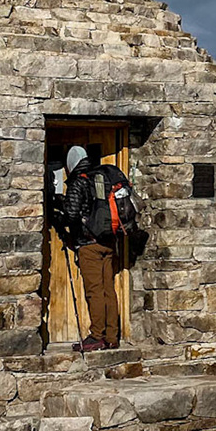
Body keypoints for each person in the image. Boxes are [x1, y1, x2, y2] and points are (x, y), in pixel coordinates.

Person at [55, 145, 123, 352]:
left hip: (89, 245)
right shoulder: (100, 177)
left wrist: (58, 215)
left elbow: (72, 215)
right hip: (108, 243)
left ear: (71, 164)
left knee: (94, 292)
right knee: (108, 290)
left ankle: (96, 336)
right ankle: (112, 337)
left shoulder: (79, 181)